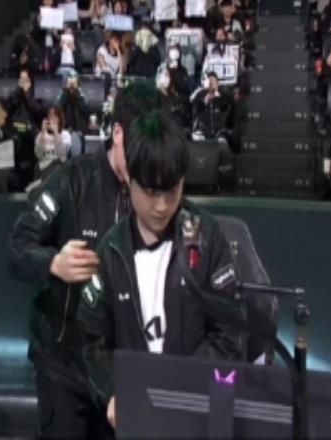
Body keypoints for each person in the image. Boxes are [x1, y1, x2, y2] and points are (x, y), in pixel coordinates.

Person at [8, 82, 162, 438]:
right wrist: (53, 263)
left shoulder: (154, 195)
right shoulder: (70, 180)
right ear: (118, 135)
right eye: (138, 154)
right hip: (63, 363)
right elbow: (17, 246)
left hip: (119, 369)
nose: (145, 168)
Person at [77, 110, 247, 429]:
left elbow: (230, 332)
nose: (162, 206)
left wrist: (180, 387)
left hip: (198, 414)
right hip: (135, 416)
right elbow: (91, 341)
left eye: (172, 190)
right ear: (130, 179)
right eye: (151, 192)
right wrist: (112, 391)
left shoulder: (207, 237)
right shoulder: (111, 252)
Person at [8, 68, 43, 188]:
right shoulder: (14, 95)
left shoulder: (36, 95)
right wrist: (19, 91)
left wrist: (27, 93)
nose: (23, 82)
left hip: (30, 131)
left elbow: (37, 112)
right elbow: (9, 108)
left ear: (31, 81)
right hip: (16, 130)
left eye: (26, 80)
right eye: (21, 79)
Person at [34, 105, 71, 177]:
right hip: (43, 167)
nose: (52, 118)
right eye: (50, 115)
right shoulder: (41, 135)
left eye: (55, 116)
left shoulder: (65, 134)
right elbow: (38, 155)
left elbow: (62, 154)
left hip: (59, 167)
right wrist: (43, 133)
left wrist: (56, 132)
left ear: (60, 119)